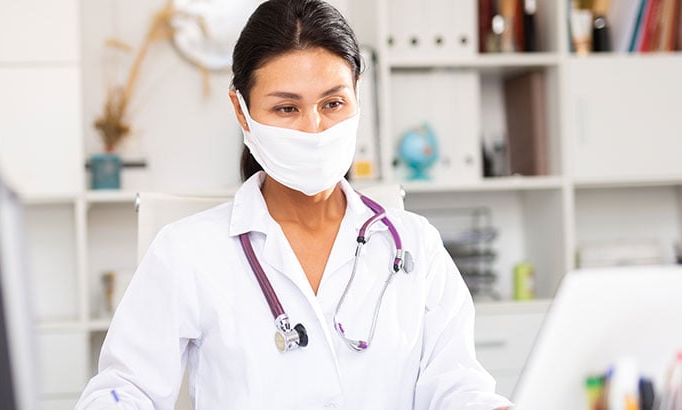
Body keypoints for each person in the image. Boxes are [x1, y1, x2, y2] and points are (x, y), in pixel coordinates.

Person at [77, 0, 513, 408]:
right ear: (241, 110)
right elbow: (124, 390)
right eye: (287, 109)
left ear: (358, 94)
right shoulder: (186, 252)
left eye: (333, 103)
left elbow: (459, 388)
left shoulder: (417, 246)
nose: (314, 128)